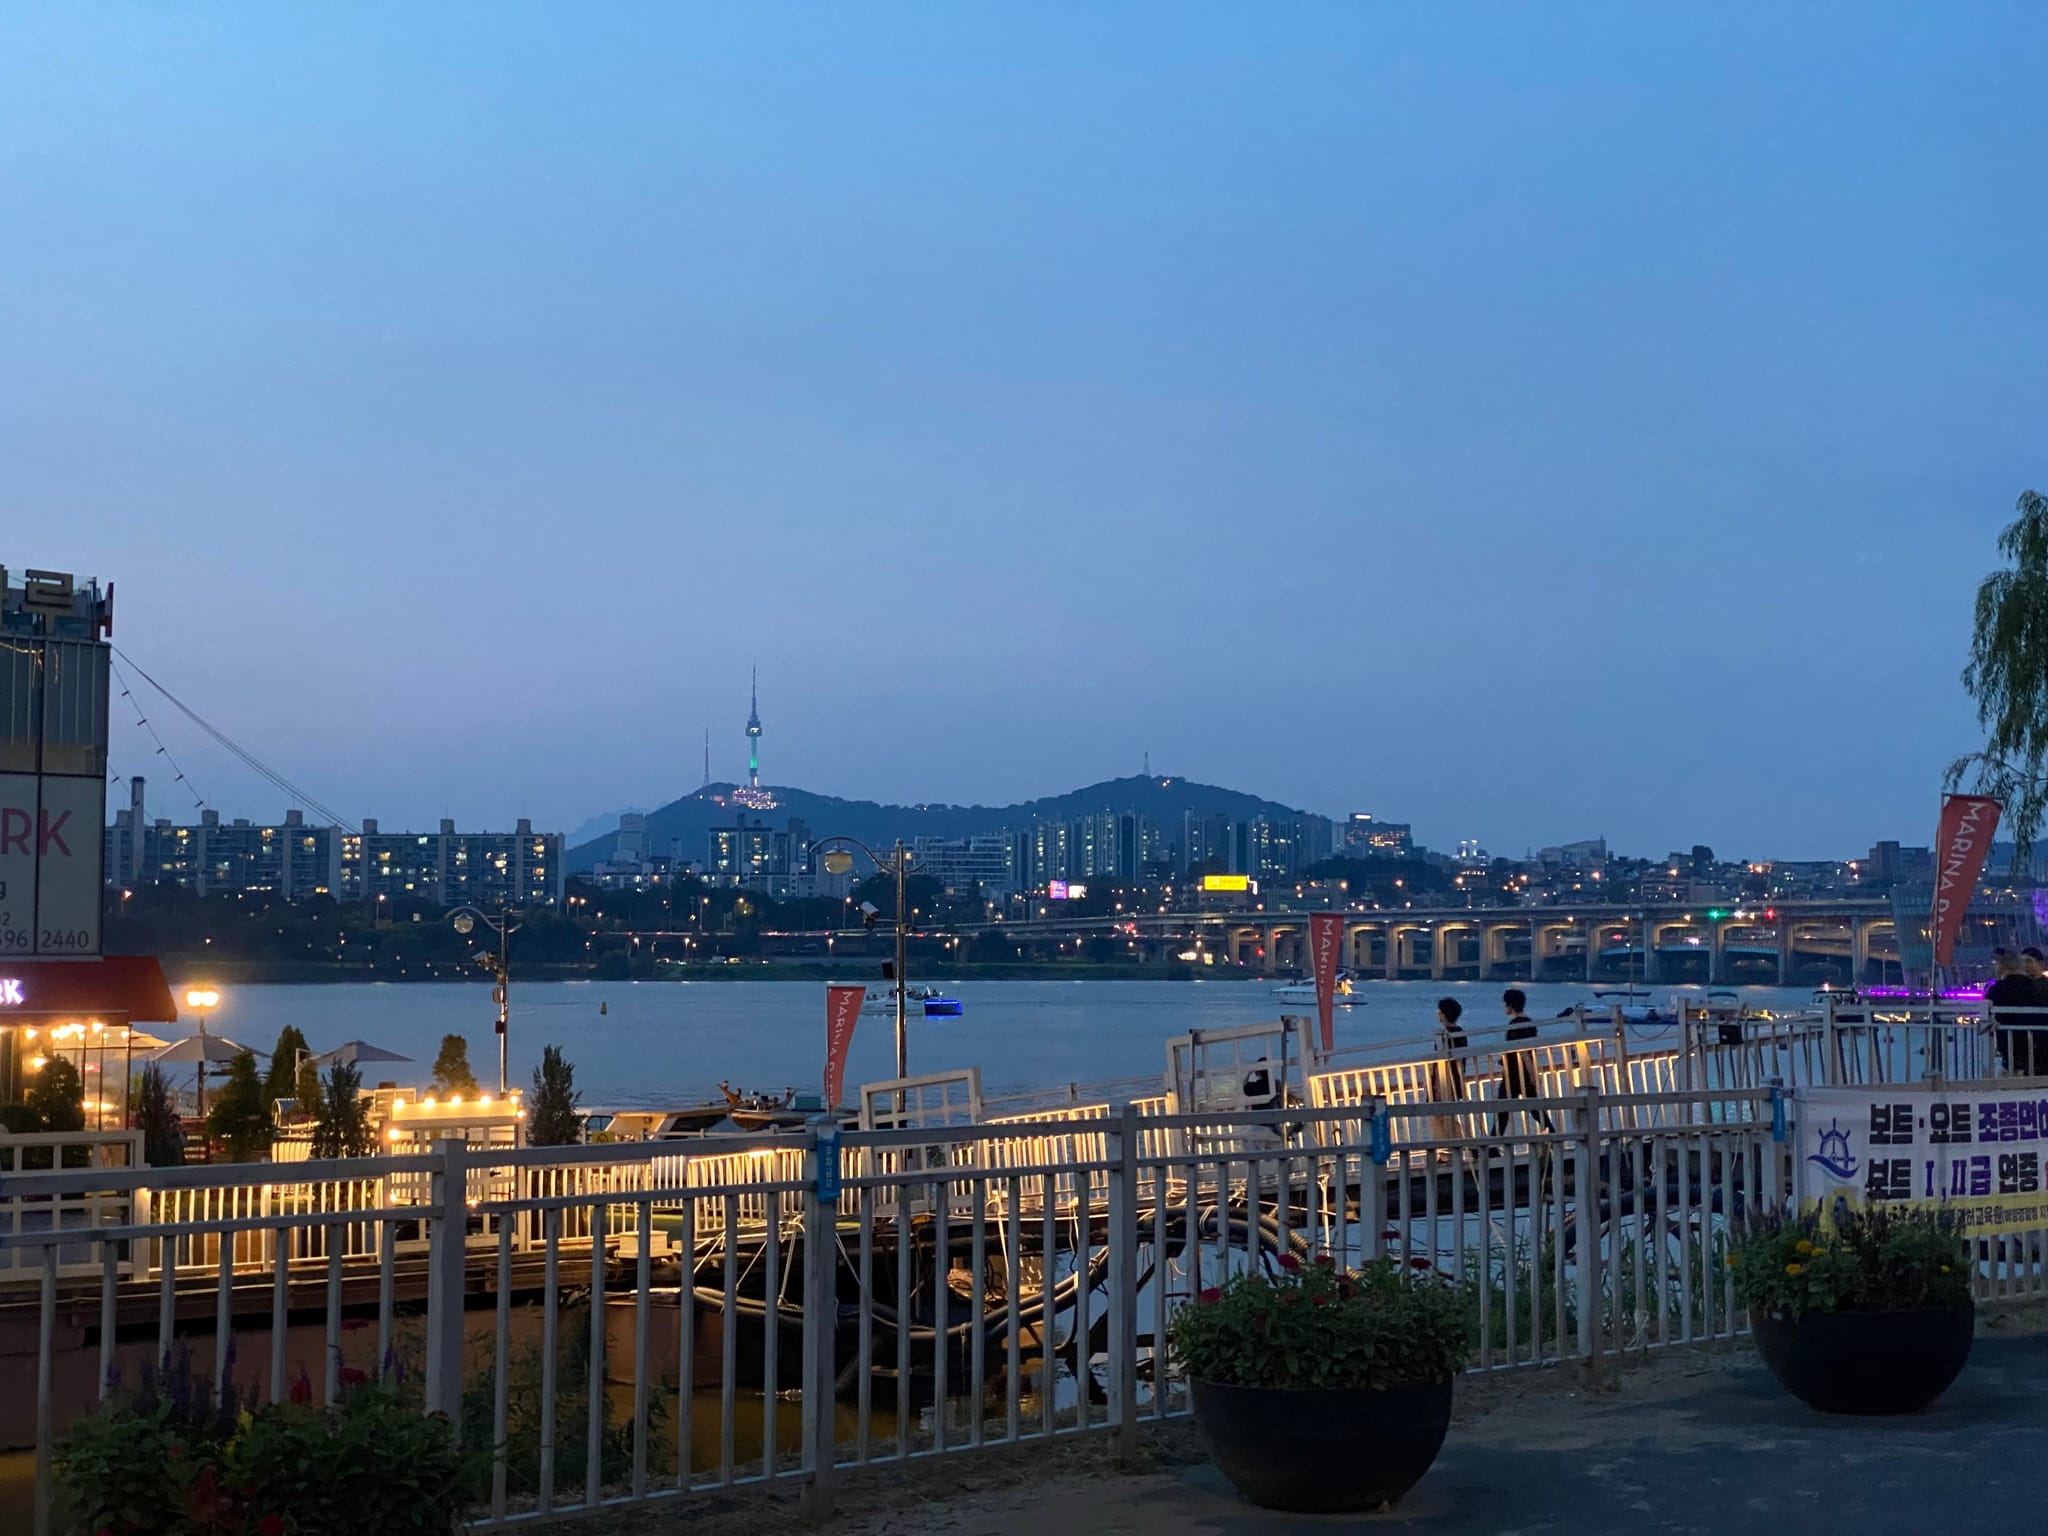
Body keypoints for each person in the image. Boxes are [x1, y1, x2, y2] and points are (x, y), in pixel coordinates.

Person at [1495, 988, 1554, 1137]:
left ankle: (1492, 1143)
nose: (1504, 1008)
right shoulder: (1529, 1024)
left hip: (1513, 1073)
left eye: (1505, 1005)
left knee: (1502, 1109)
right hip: (1524, 1073)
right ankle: (1553, 1135)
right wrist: (1533, 1073)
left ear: (1510, 1006)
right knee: (1535, 1109)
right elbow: (1530, 1051)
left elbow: (1522, 1051)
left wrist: (1532, 1074)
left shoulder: (1514, 1025)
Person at [1431, 997, 1468, 1142]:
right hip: (1454, 1080)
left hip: (1444, 1082)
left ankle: (1447, 1151)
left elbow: (1440, 1060)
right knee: (1448, 1117)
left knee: (1439, 1115)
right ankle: (1458, 1147)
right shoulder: (1460, 1033)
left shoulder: (1445, 1035)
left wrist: (1434, 1084)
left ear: (1443, 1015)